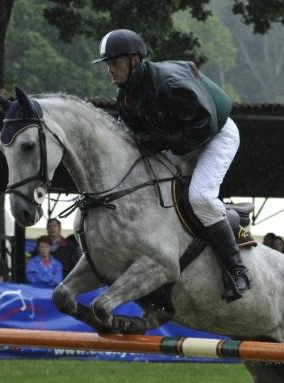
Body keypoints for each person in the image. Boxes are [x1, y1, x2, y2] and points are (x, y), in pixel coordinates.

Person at [94, 29, 250, 302]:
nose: (110, 69)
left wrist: (161, 141)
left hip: (216, 134)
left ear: (134, 59)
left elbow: (204, 125)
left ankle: (237, 270)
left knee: (200, 197)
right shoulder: (127, 96)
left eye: (114, 62)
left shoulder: (168, 83)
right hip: (184, 141)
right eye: (107, 64)